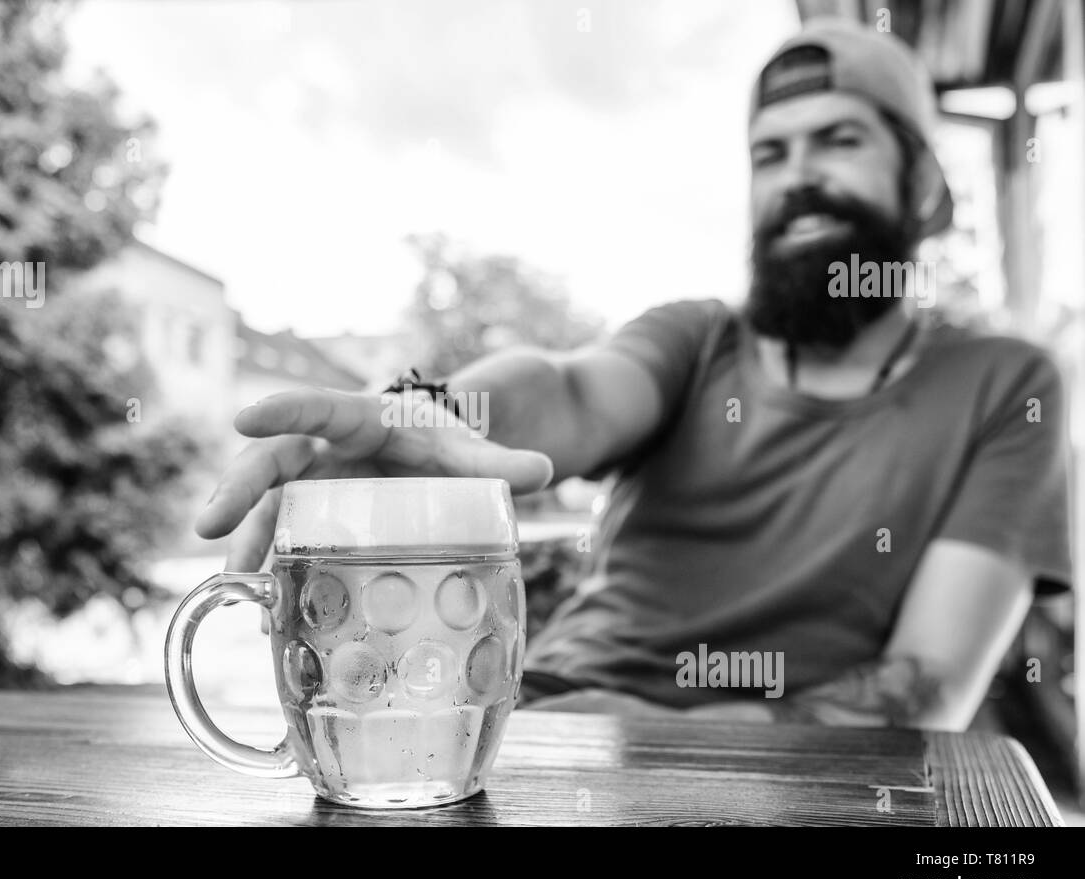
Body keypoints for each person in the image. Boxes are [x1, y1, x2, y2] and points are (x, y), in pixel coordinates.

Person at [194, 18, 1073, 731]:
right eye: (770, 155)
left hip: (763, 779)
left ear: (926, 187)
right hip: (524, 723)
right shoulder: (696, 340)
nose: (798, 178)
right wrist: (421, 418)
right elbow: (570, 393)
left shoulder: (1003, 384)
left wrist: (644, 729)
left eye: (838, 140)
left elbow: (924, 690)